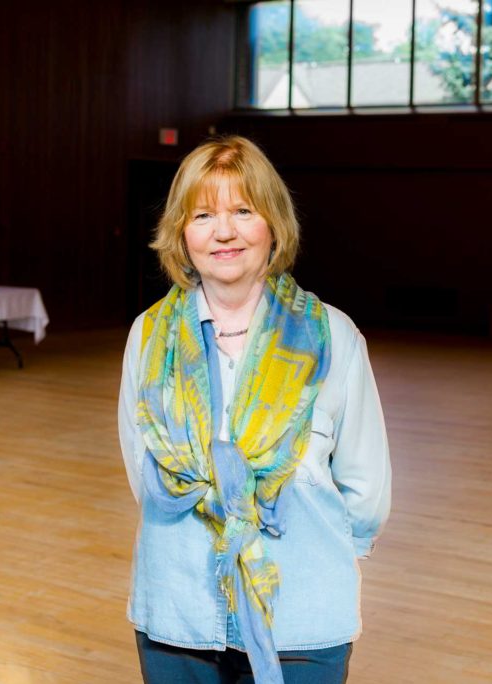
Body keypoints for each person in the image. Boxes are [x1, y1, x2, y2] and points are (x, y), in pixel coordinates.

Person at [117, 135, 391, 684]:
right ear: (181, 233)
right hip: (179, 610)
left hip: (301, 612)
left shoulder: (331, 336)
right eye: (203, 215)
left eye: (243, 210)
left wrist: (323, 565)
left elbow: (365, 483)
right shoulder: (148, 336)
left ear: (273, 224)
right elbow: (142, 473)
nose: (224, 232)